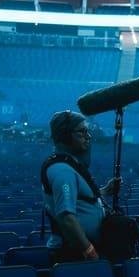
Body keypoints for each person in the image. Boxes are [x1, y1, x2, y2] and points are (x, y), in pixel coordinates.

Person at [41, 111, 117, 263]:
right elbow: (66, 217)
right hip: (73, 254)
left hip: (80, 251)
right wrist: (89, 250)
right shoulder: (62, 170)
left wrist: (105, 191)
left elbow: (78, 200)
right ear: (64, 136)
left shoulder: (70, 163)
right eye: (82, 132)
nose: (88, 136)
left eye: (87, 131)